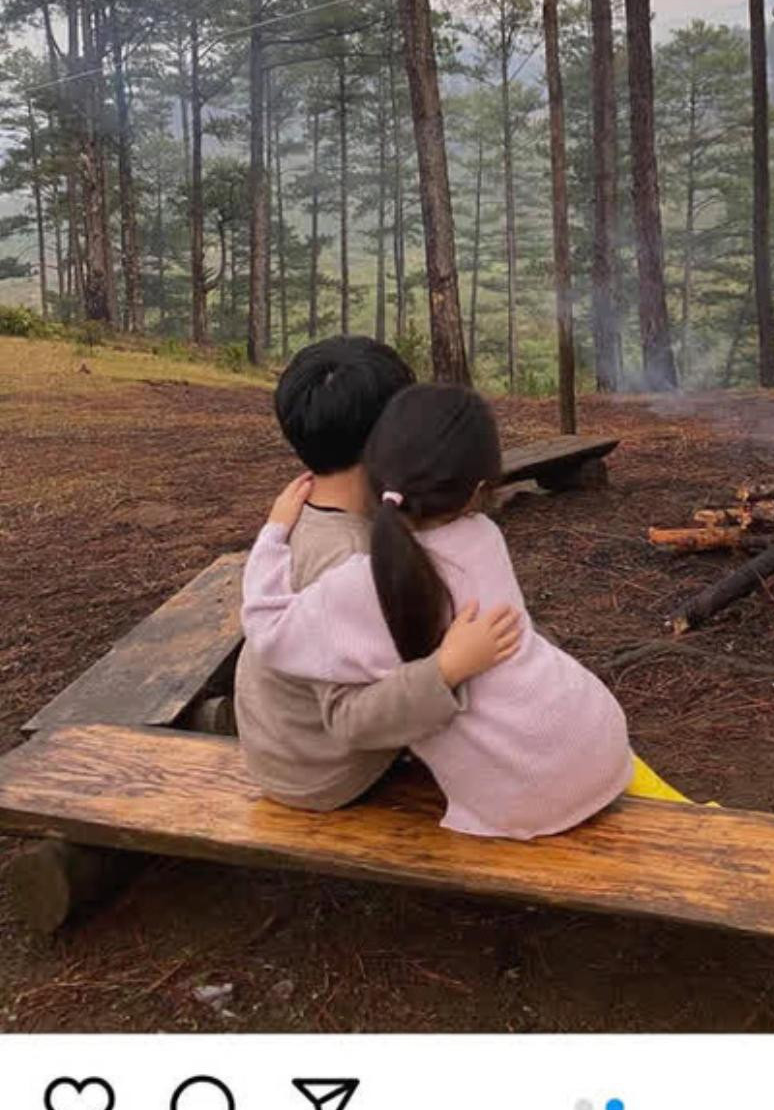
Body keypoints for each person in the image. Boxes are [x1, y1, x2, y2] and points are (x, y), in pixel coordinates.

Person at [241, 383, 641, 839]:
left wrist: (274, 533)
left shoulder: (358, 584)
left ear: (369, 471)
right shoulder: (485, 536)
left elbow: (265, 627)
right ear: (477, 491)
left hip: (524, 796)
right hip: (599, 738)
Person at [235, 338, 518, 812]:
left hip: (281, 744)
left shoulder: (299, 514)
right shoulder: (347, 560)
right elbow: (351, 718)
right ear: (388, 439)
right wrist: (446, 670)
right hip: (321, 772)